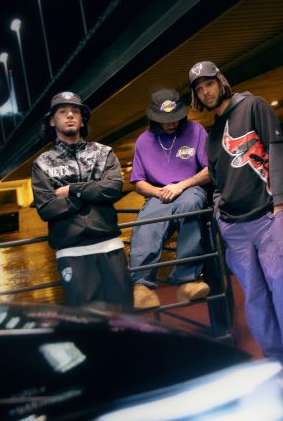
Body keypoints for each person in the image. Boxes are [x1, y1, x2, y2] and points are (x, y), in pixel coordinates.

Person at [188, 61, 283, 385]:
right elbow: (216, 178)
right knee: (255, 298)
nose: (206, 92)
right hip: (233, 226)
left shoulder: (253, 106)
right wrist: (218, 210)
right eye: (199, 89)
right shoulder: (212, 134)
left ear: (221, 81)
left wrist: (281, 204)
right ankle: (277, 359)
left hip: (268, 217)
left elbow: (277, 149)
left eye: (209, 83)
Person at [31, 91, 133, 310]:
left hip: (110, 246)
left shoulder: (103, 153)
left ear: (82, 119)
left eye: (75, 111)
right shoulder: (42, 163)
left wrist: (72, 190)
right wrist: (91, 193)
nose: (70, 115)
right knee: (89, 321)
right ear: (52, 121)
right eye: (62, 111)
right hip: (71, 253)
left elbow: (113, 189)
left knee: (126, 314)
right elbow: (46, 208)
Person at [128, 88, 212, 309]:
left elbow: (209, 170)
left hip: (191, 186)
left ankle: (187, 281)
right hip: (159, 192)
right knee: (147, 221)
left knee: (190, 204)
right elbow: (138, 182)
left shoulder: (196, 130)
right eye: (165, 120)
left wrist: (180, 186)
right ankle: (142, 286)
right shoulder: (143, 141)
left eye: (175, 118)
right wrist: (160, 192)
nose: (171, 124)